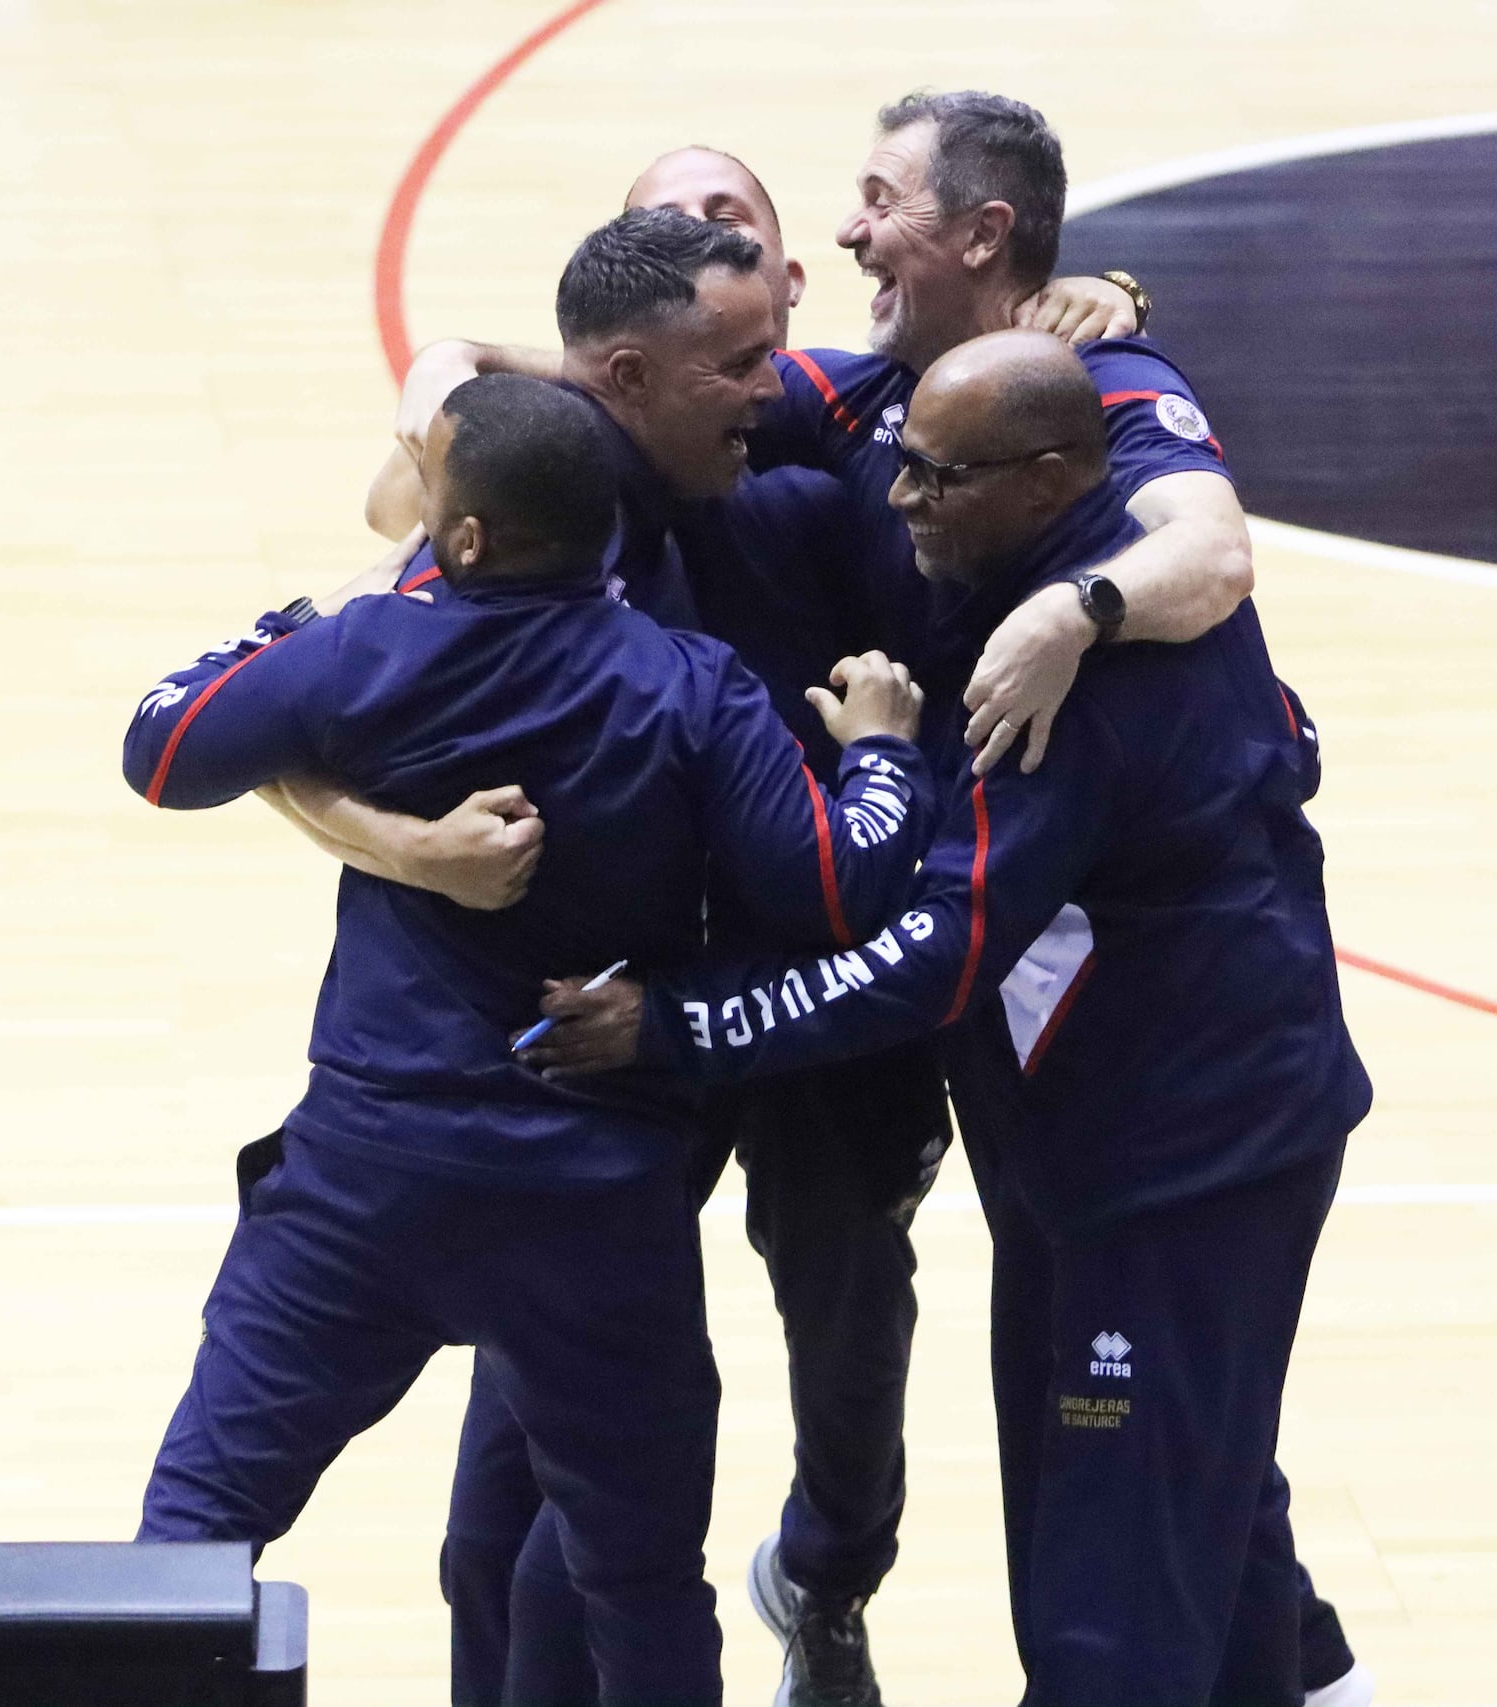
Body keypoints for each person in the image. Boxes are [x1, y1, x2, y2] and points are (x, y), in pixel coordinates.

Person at [341, 112, 1374, 1707]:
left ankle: (828, 1574)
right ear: (629, 351)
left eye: (849, 212)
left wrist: (1070, 609)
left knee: (954, 1387)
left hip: (1034, 1055)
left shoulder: (1050, 494)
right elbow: (333, 638)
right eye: (689, 261)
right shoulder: (656, 461)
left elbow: (1207, 552)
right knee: (545, 1490)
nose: (893, 496)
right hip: (861, 1053)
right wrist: (433, 424)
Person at [121, 372, 936, 1707]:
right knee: (643, 1589)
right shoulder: (691, 685)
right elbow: (837, 891)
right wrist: (886, 753)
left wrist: (275, 634)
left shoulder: (366, 651)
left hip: (365, 1191)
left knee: (191, 1540)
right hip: (592, 1207)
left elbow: (163, 750)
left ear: (469, 539)